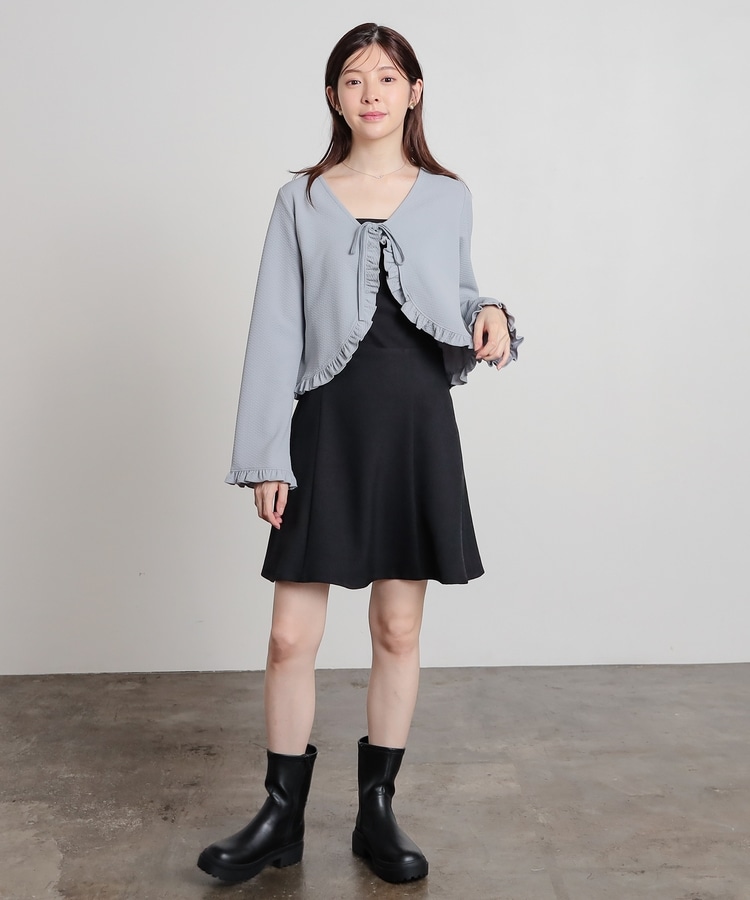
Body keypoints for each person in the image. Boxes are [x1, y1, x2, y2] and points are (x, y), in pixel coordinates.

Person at [197, 22, 522, 886]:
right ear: (333, 97)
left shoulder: (447, 196)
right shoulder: (300, 200)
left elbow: (456, 295)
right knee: (288, 636)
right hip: (325, 426)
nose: (370, 92)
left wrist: (492, 313)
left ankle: (377, 813)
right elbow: (274, 328)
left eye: (386, 77)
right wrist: (267, 454)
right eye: (352, 78)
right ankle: (279, 818)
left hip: (414, 422)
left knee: (397, 627)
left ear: (414, 91)